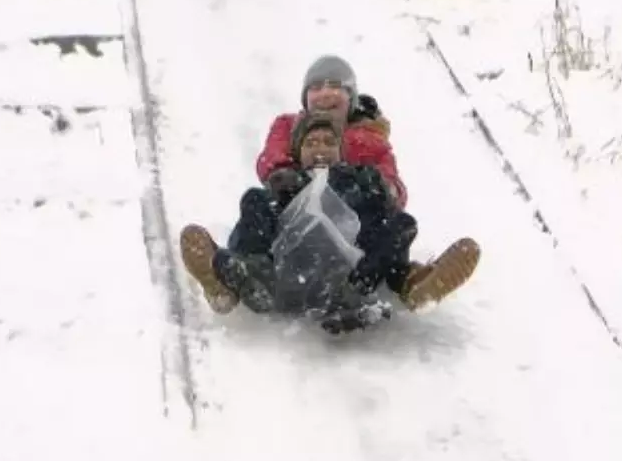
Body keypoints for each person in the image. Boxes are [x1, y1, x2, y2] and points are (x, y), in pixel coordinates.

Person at [180, 114, 479, 322]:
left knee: (400, 223)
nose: (320, 149)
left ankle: (413, 285)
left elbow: (381, 219)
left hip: (353, 272)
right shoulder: (286, 180)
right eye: (311, 144)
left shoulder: (357, 177)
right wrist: (283, 190)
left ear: (340, 151)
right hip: (289, 267)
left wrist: (372, 191)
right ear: (298, 152)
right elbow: (259, 221)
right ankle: (237, 277)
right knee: (255, 201)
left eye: (327, 143)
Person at [255, 55, 408, 209]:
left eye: (335, 86)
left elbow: (394, 185)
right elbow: (272, 157)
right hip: (294, 209)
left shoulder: (370, 139)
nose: (325, 94)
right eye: (316, 87)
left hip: (351, 217)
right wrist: (289, 176)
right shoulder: (289, 125)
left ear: (350, 98)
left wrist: (381, 188)